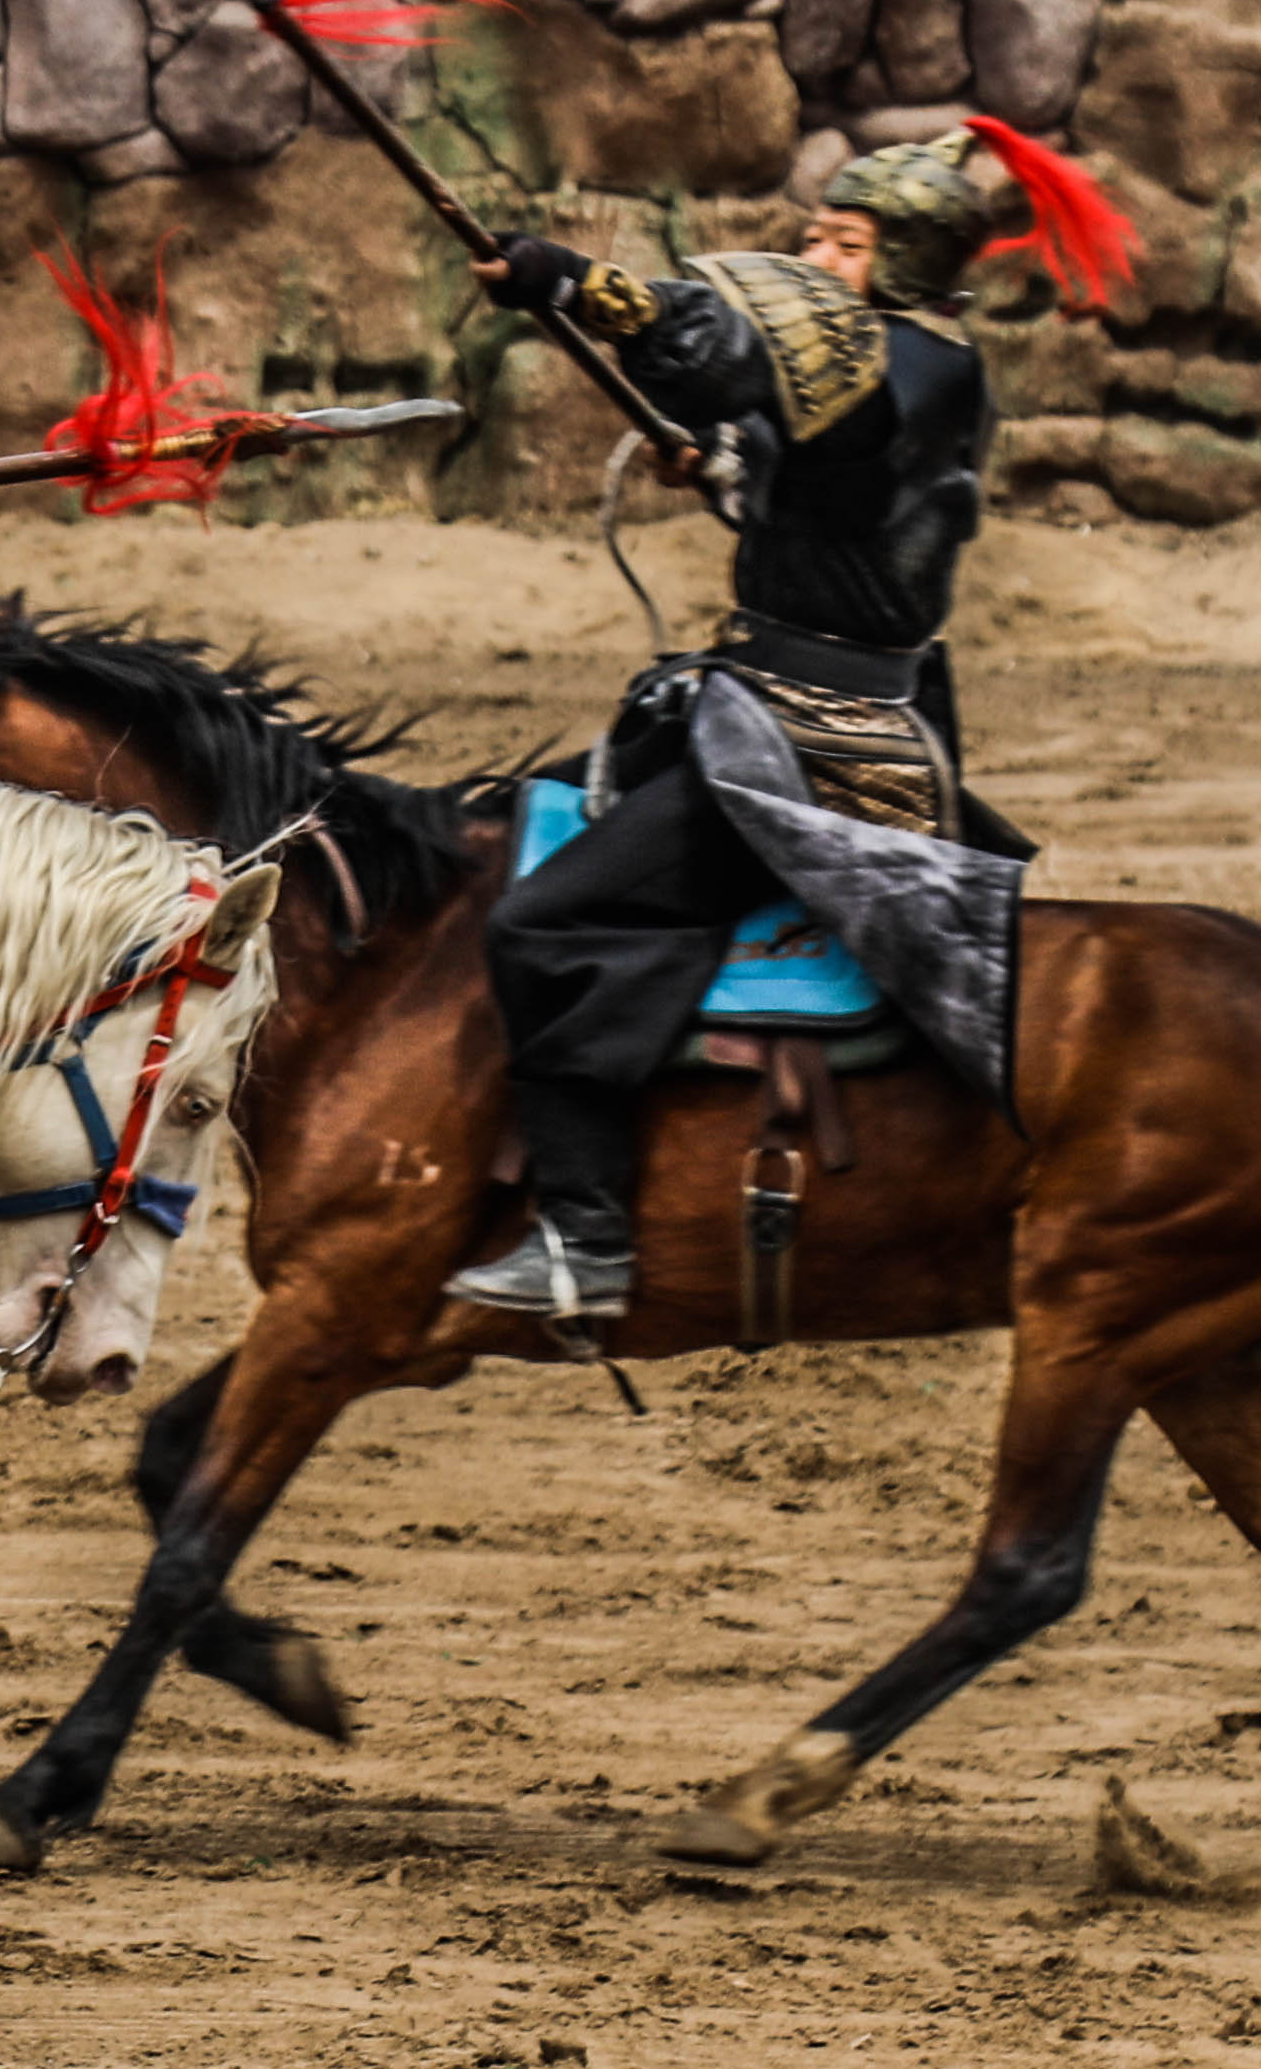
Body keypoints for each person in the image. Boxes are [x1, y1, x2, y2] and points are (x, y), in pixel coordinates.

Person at [444, 120, 1131, 1320]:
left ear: (908, 263)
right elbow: (781, 448)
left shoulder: (913, 367)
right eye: (815, 231)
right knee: (504, 829)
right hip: (751, 697)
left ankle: (586, 1240)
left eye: (844, 239)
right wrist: (713, 466)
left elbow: (723, 356)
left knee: (547, 917)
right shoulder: (881, 370)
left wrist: (573, 281)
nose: (815, 252)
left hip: (817, 742)